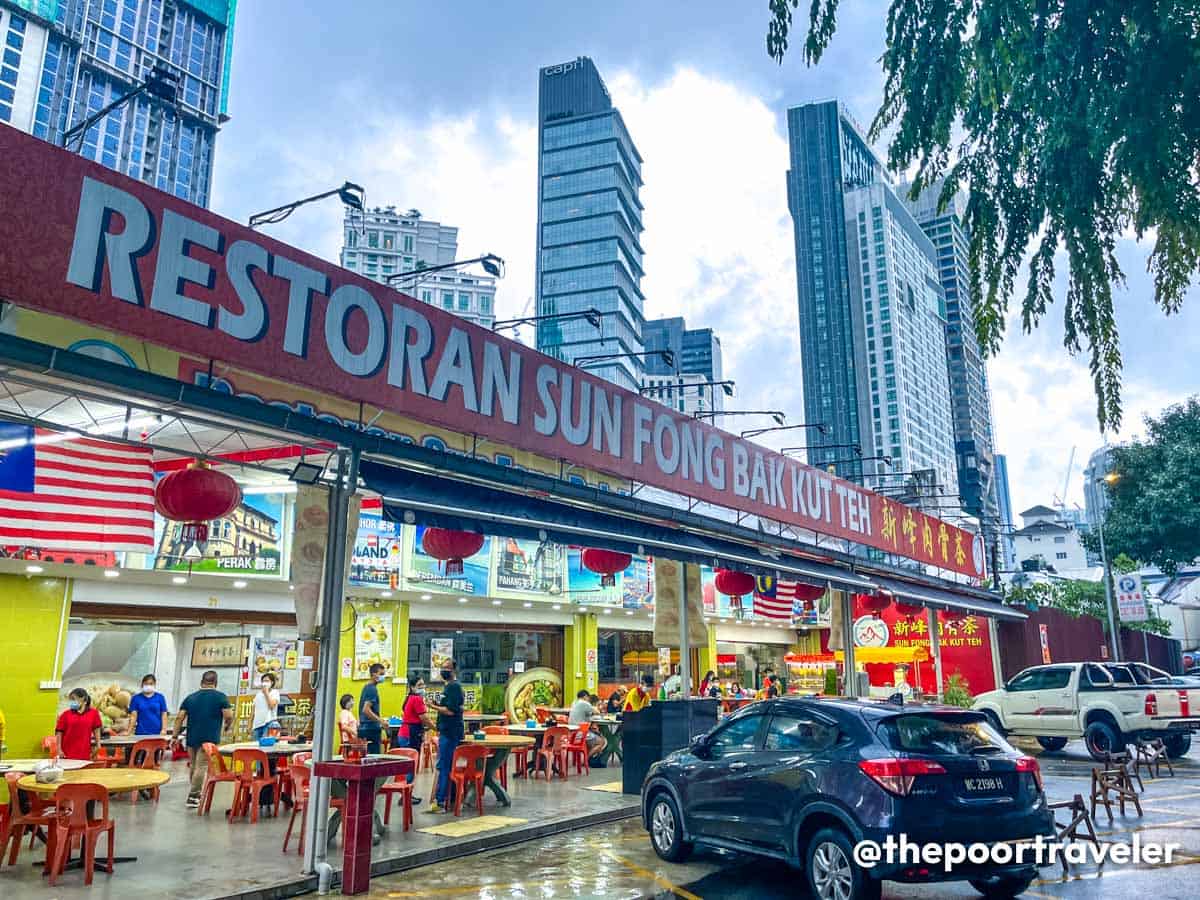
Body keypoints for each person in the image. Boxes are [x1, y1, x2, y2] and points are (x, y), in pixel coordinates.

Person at [173, 670, 232, 809]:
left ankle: (193, 791)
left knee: (193, 765)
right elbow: (228, 716)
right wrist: (227, 726)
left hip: (192, 736)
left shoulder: (190, 698)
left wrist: (175, 736)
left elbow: (179, 717)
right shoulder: (220, 697)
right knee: (202, 766)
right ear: (215, 683)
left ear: (201, 682)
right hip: (209, 737)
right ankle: (194, 796)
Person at [426, 660, 464, 814]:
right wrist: (437, 703)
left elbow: (450, 711)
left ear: (454, 670)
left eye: (446, 668)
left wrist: (432, 706)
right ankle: (450, 798)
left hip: (450, 733)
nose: (443, 670)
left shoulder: (454, 687)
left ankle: (440, 802)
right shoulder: (447, 687)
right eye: (442, 667)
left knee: (444, 767)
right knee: (445, 766)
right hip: (446, 731)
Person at [55, 688, 101, 761]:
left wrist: (98, 745)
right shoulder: (65, 715)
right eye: (70, 700)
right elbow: (59, 733)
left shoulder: (94, 713)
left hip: (84, 753)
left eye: (73, 699)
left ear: (83, 700)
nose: (71, 702)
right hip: (66, 753)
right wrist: (59, 749)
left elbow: (97, 731)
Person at [358, 663, 386, 754]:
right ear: (374, 674)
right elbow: (366, 710)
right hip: (370, 729)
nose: (383, 677)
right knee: (373, 759)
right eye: (381, 674)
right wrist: (380, 721)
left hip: (364, 728)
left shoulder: (366, 687)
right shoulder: (372, 689)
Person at [568, 689, 604, 758]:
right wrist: (597, 706)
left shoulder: (574, 702)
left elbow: (587, 714)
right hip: (580, 734)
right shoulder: (584, 703)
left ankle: (589, 758)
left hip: (572, 734)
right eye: (588, 697)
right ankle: (586, 760)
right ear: (585, 696)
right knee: (601, 741)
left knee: (594, 732)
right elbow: (597, 712)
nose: (589, 699)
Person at [251, 672, 280, 741]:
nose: (264, 683)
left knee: (266, 745)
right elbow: (253, 710)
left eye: (267, 681)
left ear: (272, 682)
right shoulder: (258, 694)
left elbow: (271, 706)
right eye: (263, 681)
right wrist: (250, 725)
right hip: (257, 724)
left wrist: (266, 693)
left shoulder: (275, 692)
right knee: (255, 746)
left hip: (269, 723)